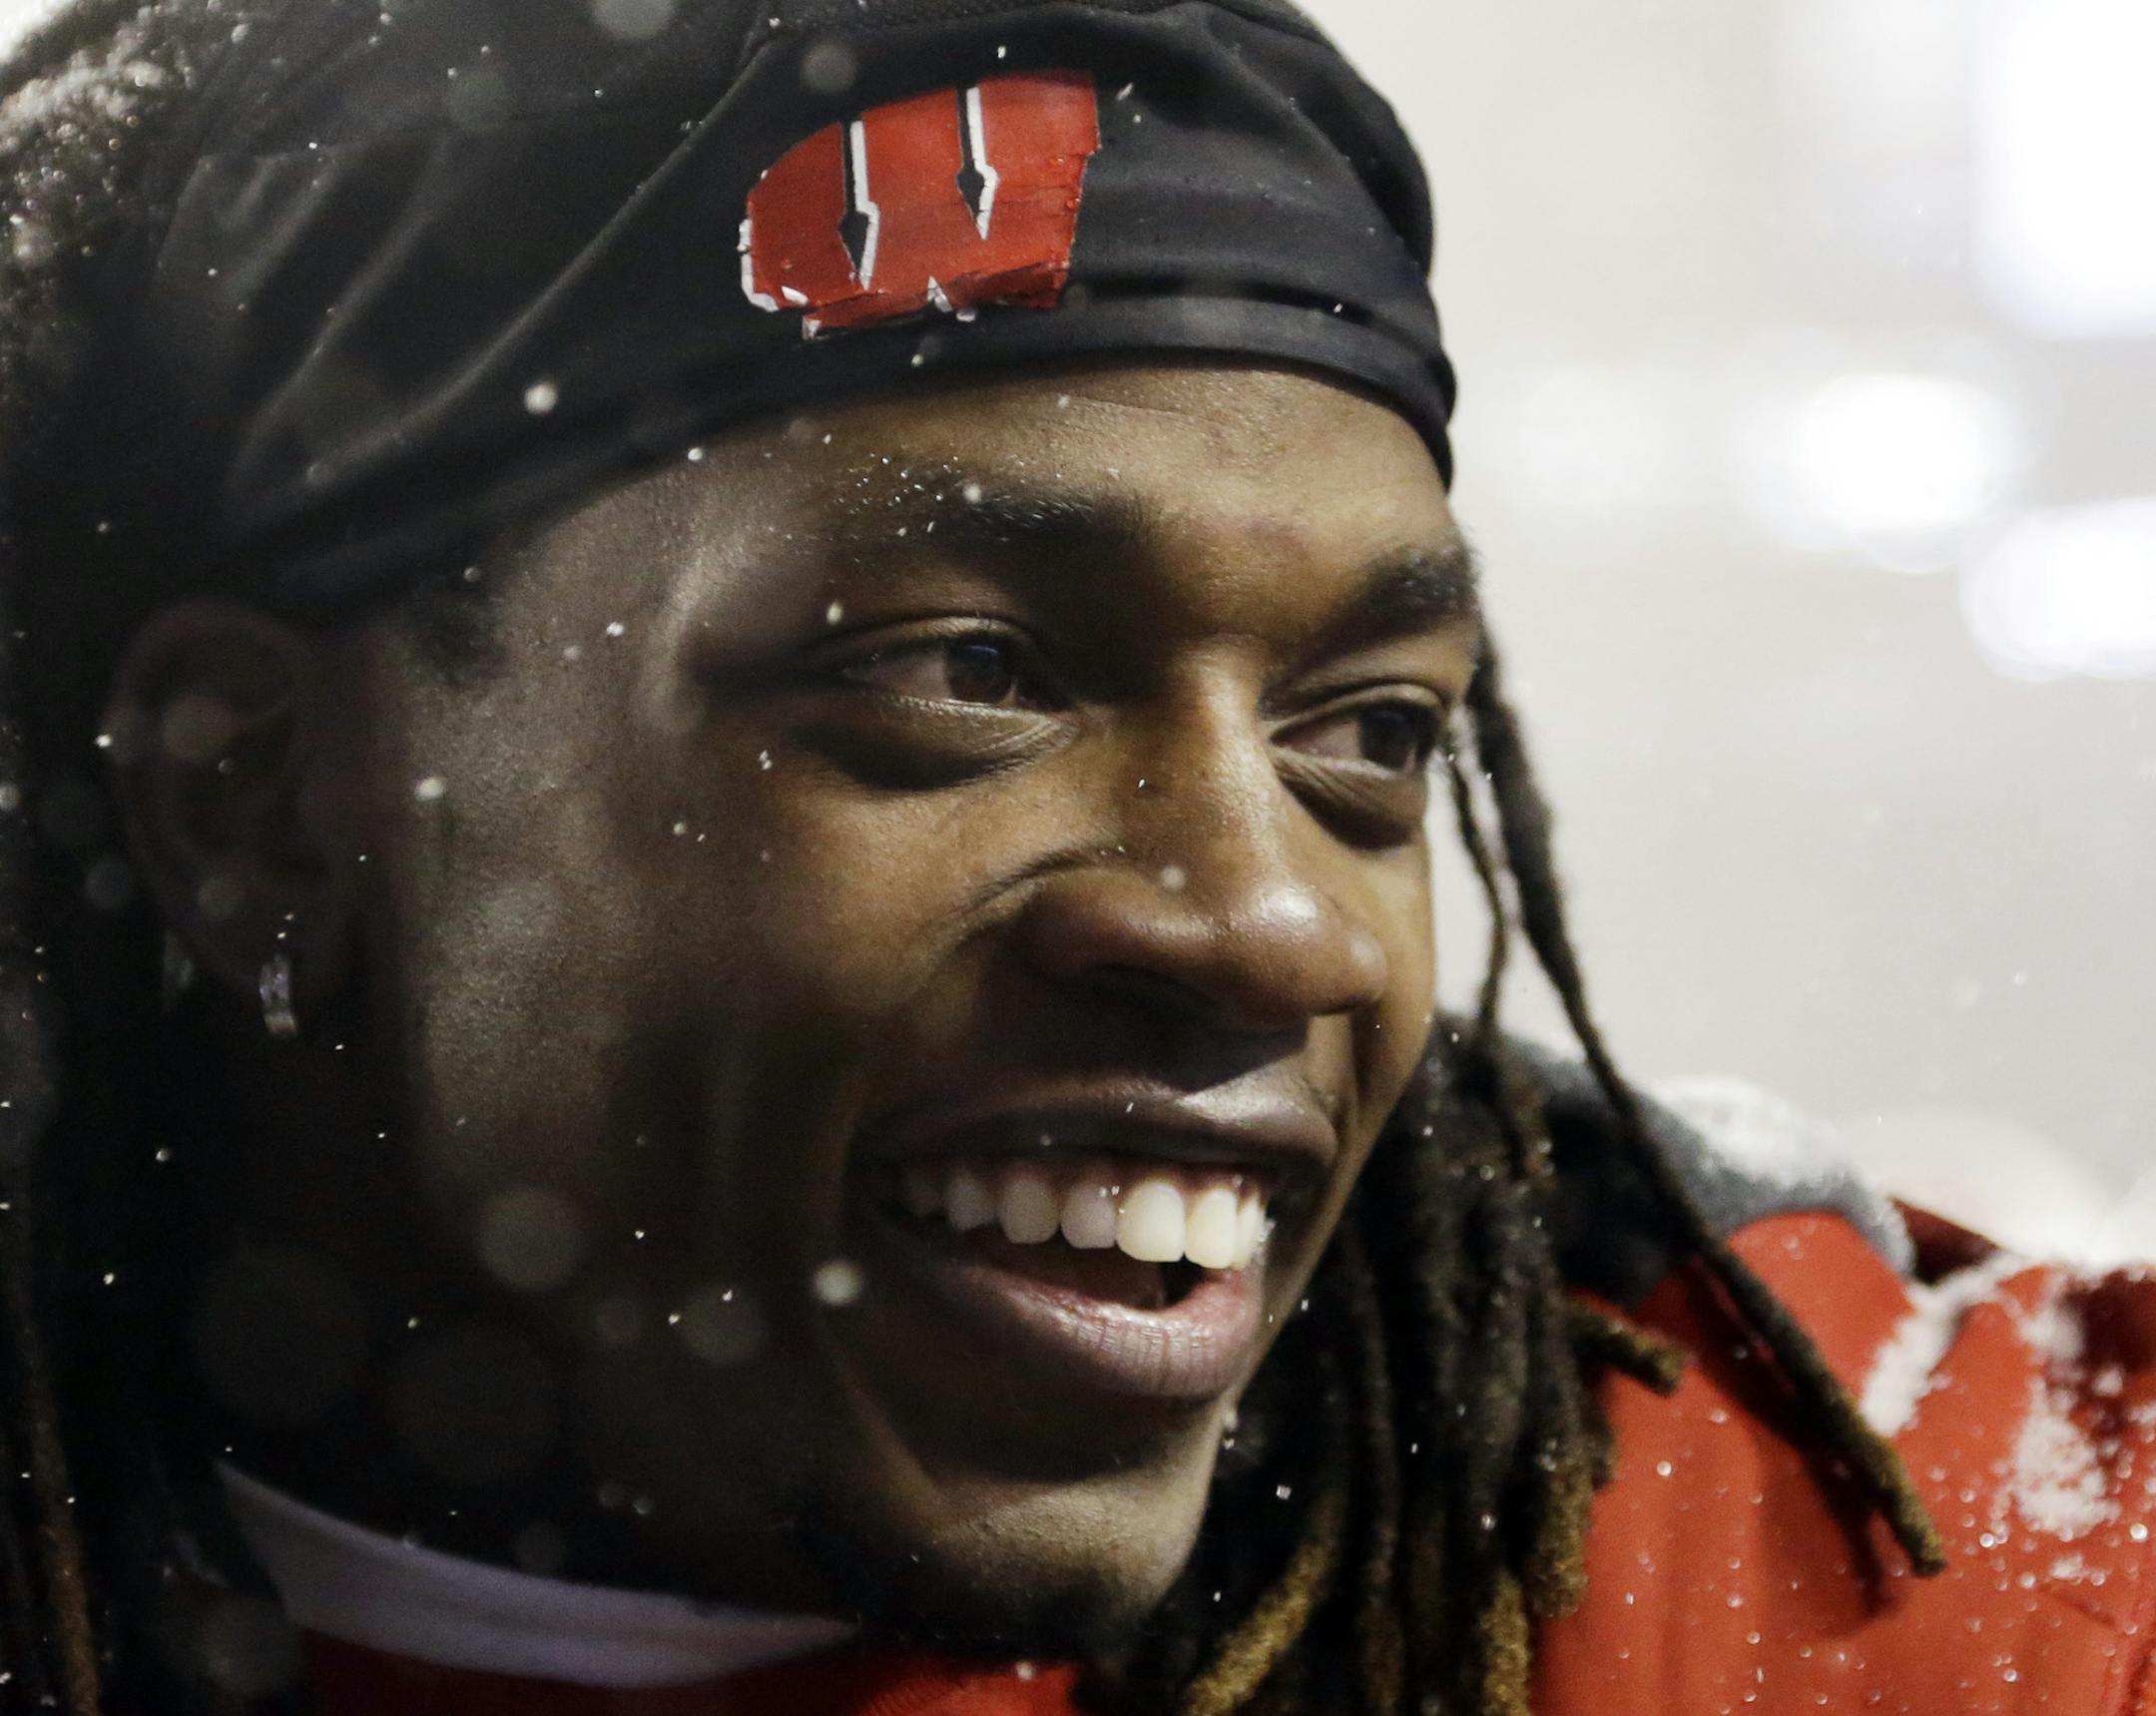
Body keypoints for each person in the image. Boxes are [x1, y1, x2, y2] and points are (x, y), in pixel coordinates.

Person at [0, 2, 2149, 1713]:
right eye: (968, 671)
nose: (1266, 917)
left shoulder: (1905, 1581)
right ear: (254, 792)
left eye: (1371, 731)